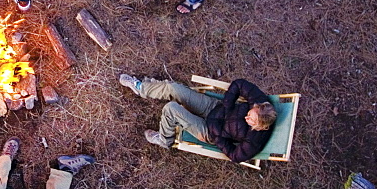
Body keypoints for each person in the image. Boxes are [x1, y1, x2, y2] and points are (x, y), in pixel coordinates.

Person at [119, 75, 277, 163]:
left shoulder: (256, 139)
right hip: (214, 107)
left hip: (208, 131)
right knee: (175, 88)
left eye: (251, 120)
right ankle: (141, 88)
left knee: (171, 109)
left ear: (259, 127)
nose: (246, 116)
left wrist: (219, 138)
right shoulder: (261, 103)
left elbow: (236, 156)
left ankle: (164, 139)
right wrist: (228, 105)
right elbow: (239, 84)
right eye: (250, 112)